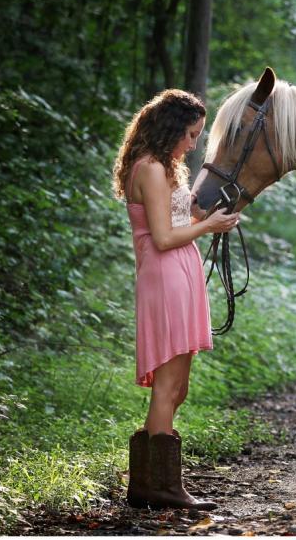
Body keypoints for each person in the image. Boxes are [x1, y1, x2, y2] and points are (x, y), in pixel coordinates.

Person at [111, 89, 239, 510]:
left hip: (180, 273)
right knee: (167, 387)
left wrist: (212, 218)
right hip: (165, 275)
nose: (193, 143)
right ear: (170, 129)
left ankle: (149, 481)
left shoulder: (167, 167)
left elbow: (179, 218)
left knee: (177, 387)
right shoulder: (148, 168)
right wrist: (207, 228)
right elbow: (163, 238)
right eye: (190, 134)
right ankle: (160, 486)